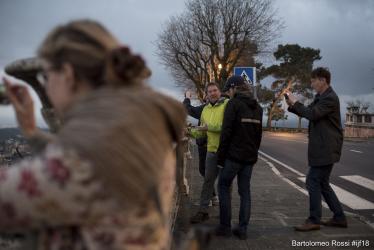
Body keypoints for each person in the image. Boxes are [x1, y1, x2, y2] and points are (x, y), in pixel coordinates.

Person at [0, 19, 186, 250]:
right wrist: (30, 131)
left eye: (47, 77)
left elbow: (68, 169)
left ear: (67, 74)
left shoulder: (84, 161)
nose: (46, 88)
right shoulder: (141, 128)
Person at [285, 67, 347, 232]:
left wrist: (296, 102)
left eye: (313, 81)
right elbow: (308, 112)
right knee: (323, 183)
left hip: (326, 147)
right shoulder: (321, 97)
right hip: (323, 146)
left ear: (323, 80)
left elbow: (313, 115)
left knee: (312, 180)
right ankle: (339, 217)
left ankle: (314, 220)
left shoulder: (330, 98)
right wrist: (292, 104)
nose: (311, 84)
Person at [215, 75, 262, 239]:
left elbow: (226, 133)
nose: (228, 94)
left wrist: (220, 159)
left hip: (233, 157)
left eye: (228, 90)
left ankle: (224, 227)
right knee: (245, 191)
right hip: (249, 158)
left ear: (234, 88)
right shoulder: (258, 108)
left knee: (223, 186)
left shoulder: (233, 104)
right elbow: (258, 136)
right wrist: (254, 154)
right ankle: (242, 229)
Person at [189, 82, 229, 223]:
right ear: (207, 94)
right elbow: (202, 133)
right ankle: (203, 211)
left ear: (220, 91)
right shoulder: (205, 109)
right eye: (210, 91)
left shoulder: (228, 105)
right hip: (211, 150)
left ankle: (225, 213)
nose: (212, 93)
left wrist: (208, 128)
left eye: (215, 90)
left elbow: (227, 127)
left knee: (225, 184)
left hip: (226, 151)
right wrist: (189, 132)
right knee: (207, 181)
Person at [183, 90, 208, 178]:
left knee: (204, 170)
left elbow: (188, 109)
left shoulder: (206, 108)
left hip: (205, 144)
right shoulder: (225, 104)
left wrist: (187, 98)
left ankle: (212, 190)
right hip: (216, 145)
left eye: (204, 93)